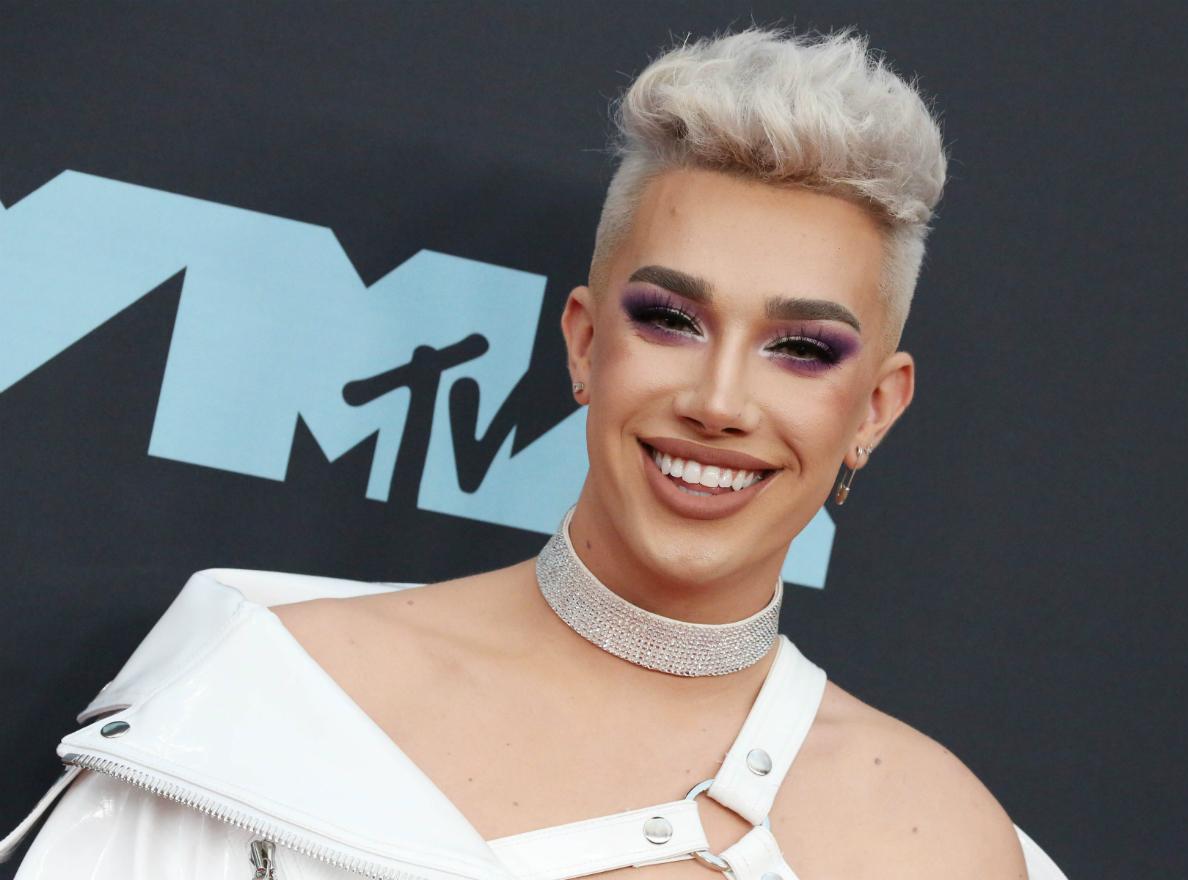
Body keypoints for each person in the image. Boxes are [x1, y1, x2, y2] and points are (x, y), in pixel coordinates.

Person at [1, 26, 1067, 880]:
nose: (719, 400)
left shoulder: (936, 839)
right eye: (671, 321)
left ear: (875, 409)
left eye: (800, 348)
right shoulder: (266, 706)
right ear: (585, 344)